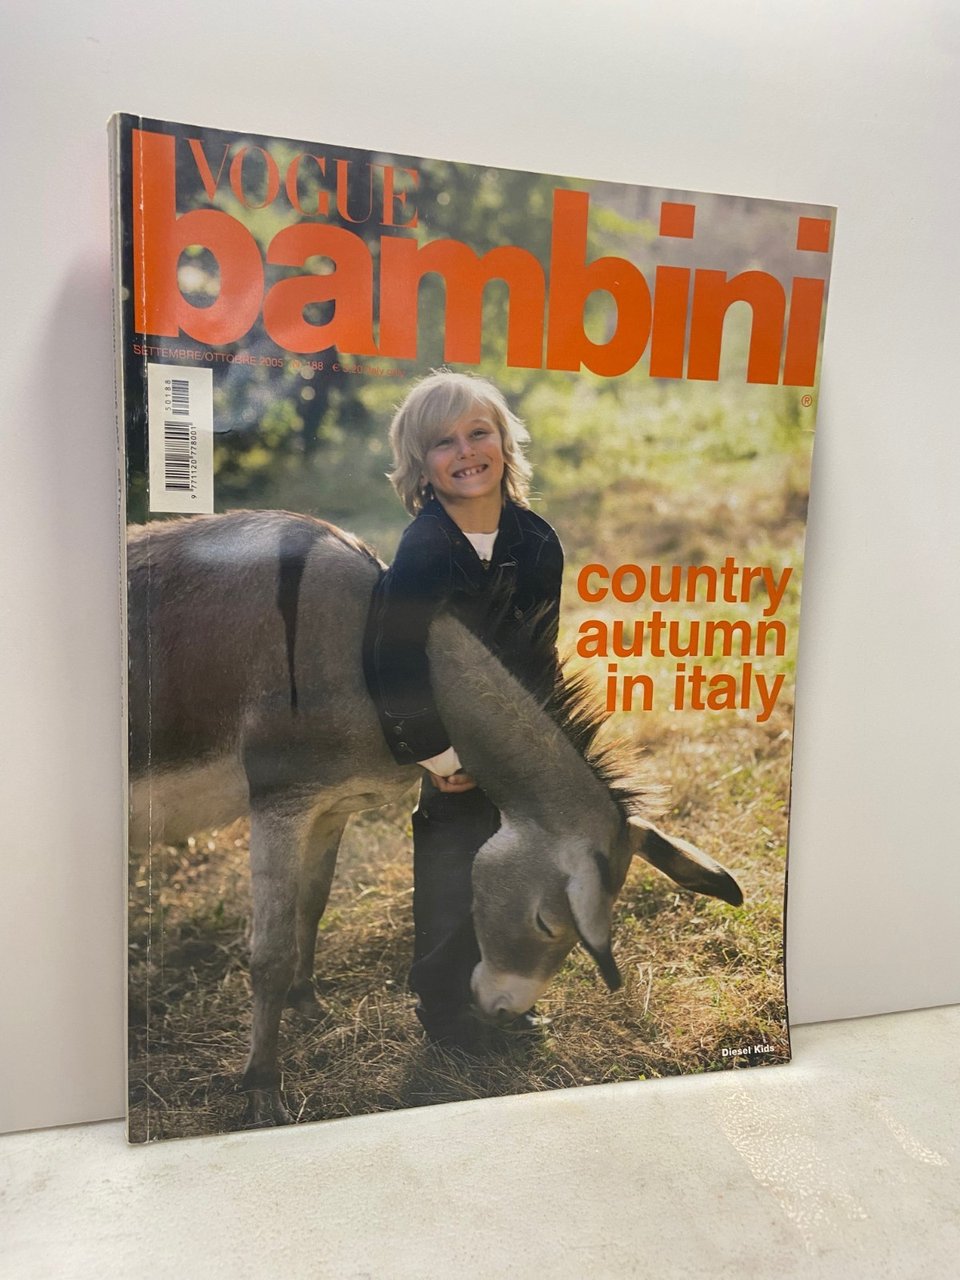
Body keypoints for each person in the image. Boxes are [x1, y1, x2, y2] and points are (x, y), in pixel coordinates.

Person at [363, 370, 563, 1049]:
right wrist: (441, 757)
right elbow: (392, 660)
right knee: (452, 872)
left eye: (479, 433)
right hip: (451, 748)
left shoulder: (537, 541)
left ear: (505, 442)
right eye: (443, 442)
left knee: (518, 871)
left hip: (519, 744)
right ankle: (445, 1008)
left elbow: (539, 651)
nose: (466, 451)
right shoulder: (425, 549)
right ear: (420, 465)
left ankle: (501, 994)